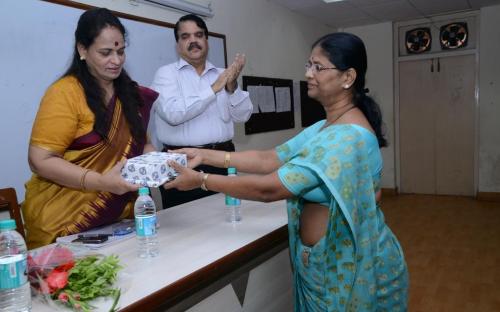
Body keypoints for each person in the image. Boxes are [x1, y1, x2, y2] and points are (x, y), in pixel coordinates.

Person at [165, 32, 408, 311]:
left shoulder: (347, 137)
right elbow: (270, 158)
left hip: (348, 270)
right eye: (308, 65)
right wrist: (203, 154)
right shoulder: (325, 127)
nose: (308, 74)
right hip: (325, 267)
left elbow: (270, 188)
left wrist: (202, 180)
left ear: (347, 77)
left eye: (318, 67)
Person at [22, 8, 159, 249]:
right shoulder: (65, 93)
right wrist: (102, 182)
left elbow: (141, 141)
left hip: (117, 220)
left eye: (121, 51)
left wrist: (153, 162)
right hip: (64, 221)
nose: (116, 60)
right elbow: (40, 160)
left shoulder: (129, 93)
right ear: (82, 50)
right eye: (106, 53)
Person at [149, 14, 253, 209]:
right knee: (186, 226)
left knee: (229, 216)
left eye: (198, 35)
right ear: (177, 44)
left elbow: (243, 115)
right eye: (185, 37)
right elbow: (173, 114)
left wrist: (231, 87)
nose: (193, 41)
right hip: (181, 163)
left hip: (222, 159)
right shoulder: (165, 74)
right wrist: (214, 88)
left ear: (206, 40)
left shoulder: (223, 74)